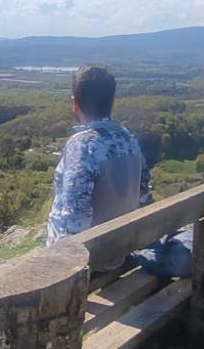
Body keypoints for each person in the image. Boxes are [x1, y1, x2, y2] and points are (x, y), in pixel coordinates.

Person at [45, 65, 191, 278]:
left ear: (75, 104)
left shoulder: (83, 145)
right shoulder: (127, 139)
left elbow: (74, 220)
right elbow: (143, 197)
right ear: (111, 102)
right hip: (118, 252)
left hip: (87, 262)